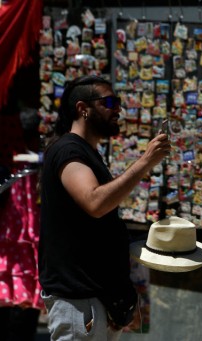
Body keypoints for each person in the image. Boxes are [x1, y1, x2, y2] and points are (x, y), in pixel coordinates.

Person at [38, 75, 171, 340]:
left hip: (99, 301)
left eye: (118, 102)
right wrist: (144, 162)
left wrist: (123, 297)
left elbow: (100, 232)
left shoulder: (86, 152)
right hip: (79, 305)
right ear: (82, 108)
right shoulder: (68, 151)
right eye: (109, 102)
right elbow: (95, 202)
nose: (118, 109)